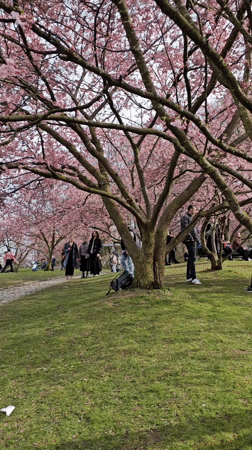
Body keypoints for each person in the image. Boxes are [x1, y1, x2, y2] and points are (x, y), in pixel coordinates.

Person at [181, 205, 201, 285]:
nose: (195, 211)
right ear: (191, 209)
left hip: (194, 240)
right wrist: (191, 238)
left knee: (190, 258)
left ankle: (189, 276)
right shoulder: (185, 217)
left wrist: (197, 238)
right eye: (195, 209)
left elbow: (194, 229)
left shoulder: (191, 218)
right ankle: (193, 277)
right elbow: (185, 229)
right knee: (193, 258)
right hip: (190, 240)